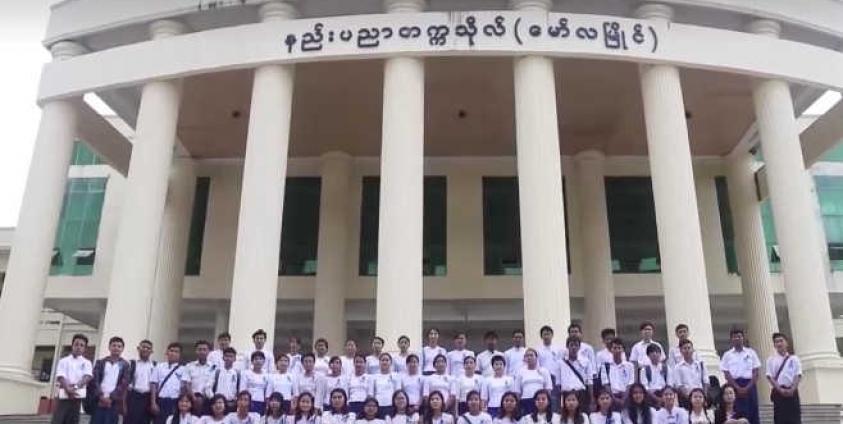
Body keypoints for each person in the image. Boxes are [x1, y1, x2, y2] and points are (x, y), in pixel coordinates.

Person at [719, 329, 760, 424]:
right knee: (737, 412)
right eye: (734, 337)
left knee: (753, 411)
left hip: (750, 385)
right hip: (734, 385)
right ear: (731, 339)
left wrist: (747, 387)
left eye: (739, 336)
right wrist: (736, 387)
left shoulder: (751, 353)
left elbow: (756, 372)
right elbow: (726, 373)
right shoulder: (727, 355)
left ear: (743, 338)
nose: (737, 338)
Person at [52, 333, 94, 424]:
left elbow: (87, 377)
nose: (78, 347)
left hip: (77, 395)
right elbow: (60, 376)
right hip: (63, 394)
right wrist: (67, 388)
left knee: (73, 420)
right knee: (58, 419)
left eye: (82, 345)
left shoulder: (87, 362)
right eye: (76, 344)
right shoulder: (63, 361)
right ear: (72, 345)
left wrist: (74, 388)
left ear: (85, 348)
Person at [90, 336, 130, 424]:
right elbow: (95, 381)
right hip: (99, 401)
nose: (116, 348)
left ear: (122, 349)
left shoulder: (125, 365)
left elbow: (124, 384)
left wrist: (111, 398)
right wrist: (101, 397)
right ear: (109, 347)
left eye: (119, 346)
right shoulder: (100, 362)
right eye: (114, 345)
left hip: (114, 403)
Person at [765, 333, 802, 424]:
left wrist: (792, 389)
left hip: (792, 392)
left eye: (781, 341)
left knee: (795, 419)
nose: (779, 343)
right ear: (774, 345)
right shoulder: (771, 360)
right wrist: (780, 390)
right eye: (776, 342)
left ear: (786, 343)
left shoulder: (794, 359)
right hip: (779, 392)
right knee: (780, 419)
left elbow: (798, 375)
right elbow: (770, 377)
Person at [151, 343, 186, 424]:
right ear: (167, 352)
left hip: (175, 402)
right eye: (171, 351)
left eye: (176, 352)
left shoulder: (184, 369)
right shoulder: (159, 366)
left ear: (180, 355)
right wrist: (153, 403)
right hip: (160, 401)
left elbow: (183, 389)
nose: (173, 353)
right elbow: (153, 385)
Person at [125, 339, 156, 424]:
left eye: (148, 348)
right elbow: (125, 382)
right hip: (133, 397)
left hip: (147, 398)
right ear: (138, 348)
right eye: (143, 347)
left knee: (145, 421)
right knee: (129, 421)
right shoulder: (131, 363)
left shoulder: (155, 365)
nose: (145, 349)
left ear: (152, 351)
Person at [513, 348, 552, 415]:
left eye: (531, 355)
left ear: (536, 357)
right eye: (527, 356)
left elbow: (548, 388)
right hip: (526, 401)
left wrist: (546, 402)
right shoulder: (520, 372)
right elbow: (517, 391)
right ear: (524, 358)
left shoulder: (544, 371)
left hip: (540, 401)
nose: (529, 357)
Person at [671, 339, 708, 409]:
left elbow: (706, 382)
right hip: (686, 399)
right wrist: (691, 398)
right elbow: (679, 386)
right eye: (684, 348)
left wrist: (704, 396)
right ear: (681, 351)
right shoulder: (677, 367)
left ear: (693, 350)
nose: (687, 350)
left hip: (701, 398)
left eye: (689, 348)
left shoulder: (700, 364)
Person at [558, 336, 592, 412]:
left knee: (582, 417)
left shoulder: (586, 361)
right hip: (566, 394)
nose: (574, 347)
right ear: (567, 346)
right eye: (571, 345)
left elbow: (589, 381)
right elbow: (558, 383)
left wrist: (592, 398)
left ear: (579, 347)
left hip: (581, 394)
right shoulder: (560, 363)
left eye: (576, 345)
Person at [184, 340, 216, 415]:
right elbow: (187, 383)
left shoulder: (214, 367)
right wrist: (193, 398)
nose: (202, 352)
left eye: (204, 349)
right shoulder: (189, 366)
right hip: (192, 399)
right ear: (196, 351)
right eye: (199, 349)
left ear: (209, 351)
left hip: (208, 400)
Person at [599, 338, 633, 409]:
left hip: (626, 396)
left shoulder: (629, 366)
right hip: (612, 397)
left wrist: (624, 398)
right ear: (611, 350)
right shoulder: (605, 366)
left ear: (623, 349)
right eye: (614, 348)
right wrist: (614, 398)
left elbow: (630, 383)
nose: (617, 350)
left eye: (619, 348)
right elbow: (605, 384)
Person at [535, 326, 563, 413]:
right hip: (543, 379)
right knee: (543, 399)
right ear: (541, 336)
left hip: (556, 379)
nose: (546, 336)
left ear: (552, 335)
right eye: (544, 334)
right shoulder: (538, 350)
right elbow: (537, 365)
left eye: (548, 334)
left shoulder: (559, 349)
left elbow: (561, 364)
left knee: (555, 400)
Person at [207, 347, 242, 412]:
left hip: (231, 404)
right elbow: (208, 387)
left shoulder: (238, 373)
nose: (228, 358)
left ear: (235, 359)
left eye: (231, 356)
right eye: (226, 356)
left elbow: (240, 389)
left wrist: (236, 400)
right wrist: (214, 399)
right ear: (223, 358)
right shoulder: (216, 372)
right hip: (217, 404)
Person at [372, 353, 402, 418]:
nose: (384, 362)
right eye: (382, 360)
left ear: (391, 363)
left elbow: (398, 393)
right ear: (379, 363)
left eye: (387, 360)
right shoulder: (374, 377)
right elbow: (372, 394)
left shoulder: (396, 376)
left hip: (391, 406)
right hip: (378, 407)